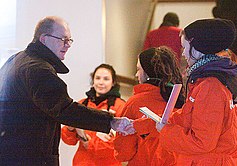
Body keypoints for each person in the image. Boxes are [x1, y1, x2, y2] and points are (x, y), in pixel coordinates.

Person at [0, 16, 134, 166]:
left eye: (70, 40)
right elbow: (64, 109)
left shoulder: (16, 60)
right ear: (44, 39)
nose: (68, 45)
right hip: (29, 156)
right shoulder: (39, 69)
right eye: (63, 39)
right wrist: (111, 121)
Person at [156, 18, 237, 165]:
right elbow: (193, 114)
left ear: (199, 48)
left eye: (185, 48)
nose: (183, 54)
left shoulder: (210, 85)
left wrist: (167, 131)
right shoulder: (212, 77)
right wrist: (162, 121)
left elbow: (202, 142)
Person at [113, 46, 185, 165]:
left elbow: (124, 152)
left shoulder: (134, 103)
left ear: (147, 73)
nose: (136, 75)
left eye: (138, 69)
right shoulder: (182, 102)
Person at [61, 63, 125, 166]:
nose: (101, 82)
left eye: (106, 79)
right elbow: (69, 140)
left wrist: (89, 144)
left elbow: (121, 144)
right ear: (93, 81)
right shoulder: (82, 104)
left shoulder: (120, 106)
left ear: (113, 82)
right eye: (98, 78)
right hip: (82, 162)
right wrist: (70, 128)